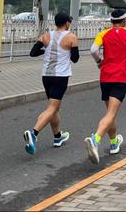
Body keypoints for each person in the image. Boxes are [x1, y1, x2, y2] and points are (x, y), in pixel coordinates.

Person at [84, 9, 126, 164]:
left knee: (110, 113)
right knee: (110, 114)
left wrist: (98, 62)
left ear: (111, 21)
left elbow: (93, 50)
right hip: (120, 78)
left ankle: (114, 142)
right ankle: (95, 140)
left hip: (105, 77)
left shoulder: (103, 34)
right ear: (124, 21)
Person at [23, 12, 79, 155]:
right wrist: (69, 50)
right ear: (67, 23)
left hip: (46, 76)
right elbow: (75, 59)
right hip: (60, 76)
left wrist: (46, 51)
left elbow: (33, 53)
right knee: (52, 108)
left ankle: (57, 137)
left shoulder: (46, 36)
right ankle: (33, 133)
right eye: (69, 22)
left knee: (53, 108)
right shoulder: (71, 37)